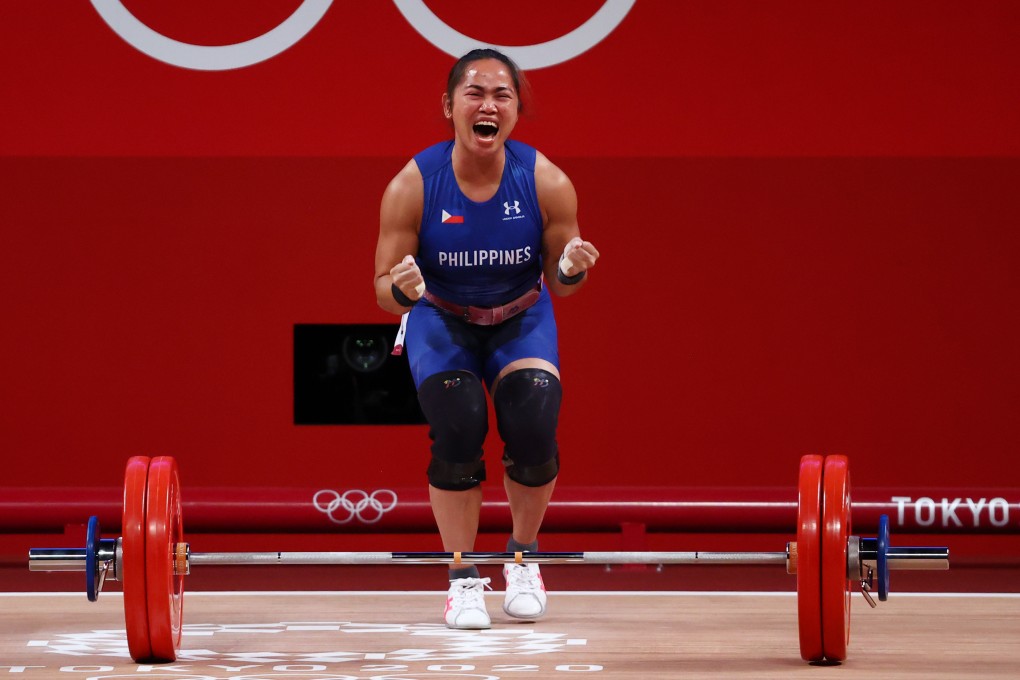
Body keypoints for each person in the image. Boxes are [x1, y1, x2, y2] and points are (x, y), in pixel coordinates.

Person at [373, 48, 599, 629]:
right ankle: (462, 576)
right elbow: (382, 290)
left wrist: (571, 271)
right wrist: (402, 288)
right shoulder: (413, 185)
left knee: (533, 415)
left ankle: (523, 557)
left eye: (502, 95)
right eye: (474, 93)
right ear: (449, 107)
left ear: (516, 112)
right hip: (440, 317)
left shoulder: (546, 181)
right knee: (458, 421)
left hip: (521, 317)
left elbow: (561, 282)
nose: (488, 104)